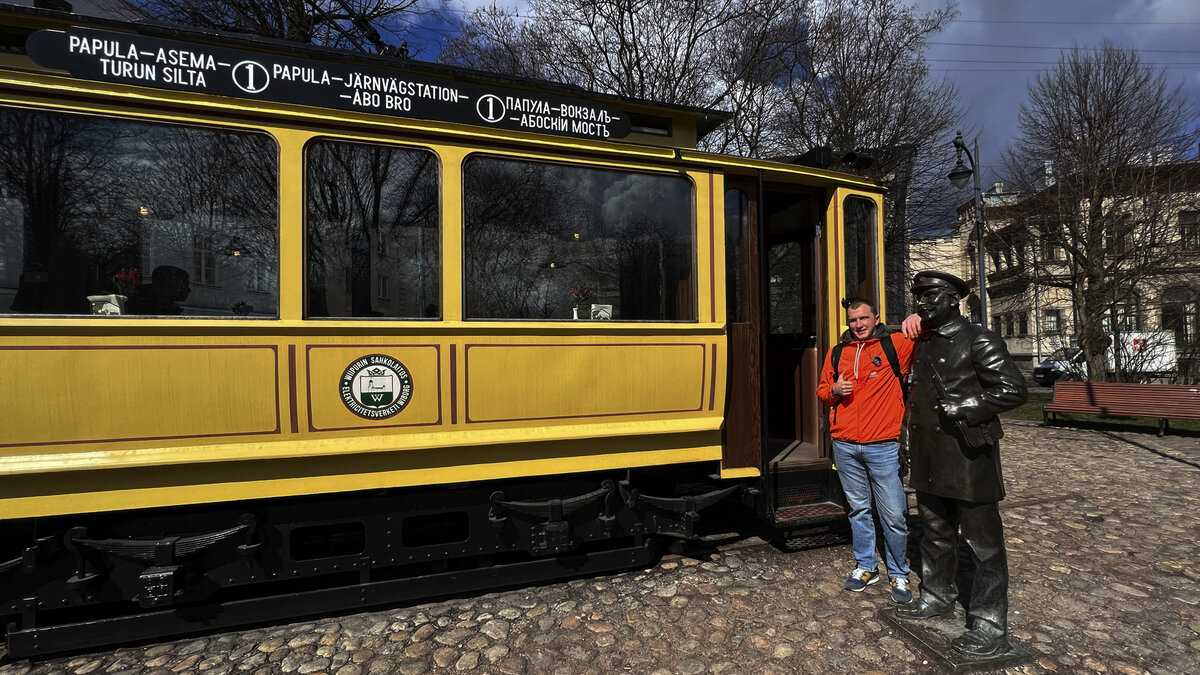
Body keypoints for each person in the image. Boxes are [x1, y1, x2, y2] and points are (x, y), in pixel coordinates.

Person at [896, 271, 1027, 658]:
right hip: (930, 457)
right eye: (919, 296)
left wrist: (968, 405)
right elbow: (915, 400)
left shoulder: (979, 339)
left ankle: (989, 625)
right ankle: (936, 596)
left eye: (931, 294)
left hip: (968, 458)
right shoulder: (925, 342)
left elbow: (1013, 389)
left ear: (953, 298)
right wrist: (906, 442)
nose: (922, 302)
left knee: (983, 545)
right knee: (935, 533)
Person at [816, 296, 914, 604]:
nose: (858, 324)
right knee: (859, 510)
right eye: (853, 320)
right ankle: (867, 566)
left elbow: (931, 327)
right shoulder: (837, 352)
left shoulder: (895, 345)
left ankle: (898, 572)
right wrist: (834, 390)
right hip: (845, 445)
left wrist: (917, 317)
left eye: (863, 318)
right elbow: (822, 391)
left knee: (894, 515)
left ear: (876, 318)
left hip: (883, 446)